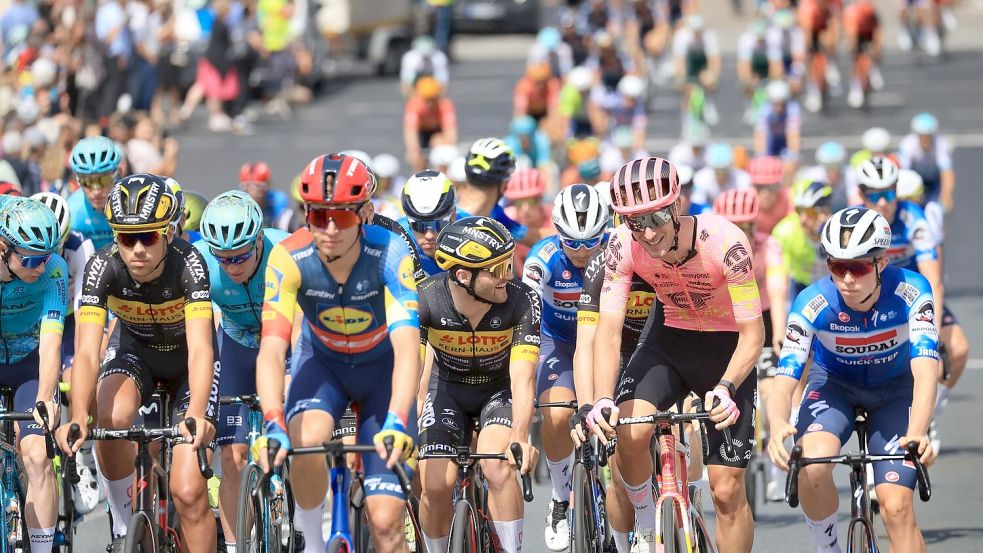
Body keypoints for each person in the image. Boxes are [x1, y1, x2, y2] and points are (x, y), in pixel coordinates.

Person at [581, 157, 763, 553]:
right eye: (633, 221)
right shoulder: (621, 245)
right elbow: (608, 332)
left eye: (656, 216)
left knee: (727, 490)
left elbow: (754, 332)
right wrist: (601, 399)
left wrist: (728, 387)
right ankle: (647, 526)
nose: (646, 232)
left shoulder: (726, 243)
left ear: (677, 204)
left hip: (727, 351)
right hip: (669, 341)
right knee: (628, 430)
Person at [256, 153, 419, 553]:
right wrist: (273, 421)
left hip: (382, 372)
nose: (329, 228)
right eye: (317, 215)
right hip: (323, 365)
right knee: (307, 440)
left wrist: (398, 419)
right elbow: (272, 350)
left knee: (386, 524)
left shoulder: (391, 252)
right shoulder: (288, 257)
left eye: (342, 216)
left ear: (364, 213)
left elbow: (407, 348)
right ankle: (311, 543)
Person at [57, 174, 219, 553]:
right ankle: (123, 524)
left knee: (189, 491)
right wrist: (80, 414)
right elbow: (84, 352)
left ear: (168, 234)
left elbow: (200, 349)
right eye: (127, 239)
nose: (137, 250)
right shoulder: (102, 267)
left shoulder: (189, 264)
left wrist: (196, 413)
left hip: (186, 365)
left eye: (148, 237)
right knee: (109, 420)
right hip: (135, 353)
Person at [767, 207, 938, 553]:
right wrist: (775, 424)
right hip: (834, 387)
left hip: (895, 391)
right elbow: (786, 374)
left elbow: (925, 370)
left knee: (896, 507)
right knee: (812, 466)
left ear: (882, 262)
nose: (846, 279)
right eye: (836, 266)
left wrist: (919, 430)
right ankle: (828, 547)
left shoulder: (912, 291)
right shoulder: (811, 302)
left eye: (857, 267)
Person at [416, 217, 540, 553]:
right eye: (497, 268)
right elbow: (419, 375)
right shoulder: (425, 300)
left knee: (498, 466)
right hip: (446, 392)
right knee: (434, 486)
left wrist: (520, 437)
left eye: (509, 262)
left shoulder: (522, 299)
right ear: (462, 275)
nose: (508, 275)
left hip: (498, 392)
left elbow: (523, 377)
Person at [192, 191, 289, 553]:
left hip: (285, 342)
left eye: (242, 256)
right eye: (224, 258)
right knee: (232, 458)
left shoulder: (285, 253)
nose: (232, 266)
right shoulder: (200, 261)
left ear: (260, 238)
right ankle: (234, 547)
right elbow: (199, 331)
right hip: (235, 343)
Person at [856, 156, 968, 452]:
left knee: (958, 349)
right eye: (873, 195)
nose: (882, 203)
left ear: (897, 191)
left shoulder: (914, 219)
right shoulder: (854, 221)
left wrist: (930, 327)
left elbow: (933, 279)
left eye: (888, 194)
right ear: (861, 194)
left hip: (916, 296)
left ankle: (931, 400)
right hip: (873, 300)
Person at [521, 184, 608, 551]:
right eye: (573, 243)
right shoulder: (541, 260)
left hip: (604, 338)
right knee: (557, 413)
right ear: (557, 232)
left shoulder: (617, 254)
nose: (584, 252)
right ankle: (560, 497)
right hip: (558, 340)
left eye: (593, 242)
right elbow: (525, 310)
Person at [0, 198, 68, 553]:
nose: (40, 267)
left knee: (38, 455)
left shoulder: (54, 269)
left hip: (28, 361)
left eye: (46, 256)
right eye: (30, 259)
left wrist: (45, 396)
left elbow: (51, 341)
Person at [458, 138, 539, 248]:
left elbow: (531, 236)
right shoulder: (494, 216)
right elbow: (534, 238)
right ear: (504, 184)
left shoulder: (495, 213)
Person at [771, 179, 835, 301]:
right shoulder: (784, 232)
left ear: (825, 212)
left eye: (810, 212)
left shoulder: (837, 231)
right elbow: (778, 283)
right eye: (799, 211)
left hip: (831, 285)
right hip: (801, 285)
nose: (803, 219)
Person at [898, 113, 955, 242]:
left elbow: (947, 172)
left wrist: (946, 195)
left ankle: (937, 240)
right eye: (922, 136)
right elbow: (903, 173)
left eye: (928, 137)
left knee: (937, 214)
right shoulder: (907, 144)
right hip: (915, 182)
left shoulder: (941, 144)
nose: (925, 140)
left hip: (934, 183)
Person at [397, 170, 457, 277]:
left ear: (453, 216)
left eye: (437, 225)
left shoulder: (471, 229)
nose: (428, 235)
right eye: (419, 226)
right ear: (408, 221)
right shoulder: (396, 238)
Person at [67, 136, 121, 250]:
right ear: (77, 180)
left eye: (104, 180)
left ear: (117, 173)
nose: (96, 191)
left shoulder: (130, 202)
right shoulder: (72, 212)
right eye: (87, 181)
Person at [503, 168, 555, 274]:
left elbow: (561, 239)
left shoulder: (554, 217)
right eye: (519, 202)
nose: (526, 209)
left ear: (541, 200)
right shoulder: (506, 217)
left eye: (531, 201)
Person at [403, 76, 458, 172]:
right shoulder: (414, 105)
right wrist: (414, 152)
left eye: (433, 99)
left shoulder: (445, 105)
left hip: (437, 132)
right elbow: (411, 132)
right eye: (426, 100)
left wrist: (448, 153)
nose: (430, 104)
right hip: (421, 132)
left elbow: (451, 133)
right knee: (417, 160)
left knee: (440, 145)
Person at [842, 0, 883, 108]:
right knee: (856, 58)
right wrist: (854, 50)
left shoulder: (872, 12)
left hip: (868, 32)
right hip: (856, 33)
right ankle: (855, 85)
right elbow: (852, 37)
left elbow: (878, 30)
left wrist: (877, 47)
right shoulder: (852, 14)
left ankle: (874, 69)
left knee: (876, 50)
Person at [239, 161, 294, 231]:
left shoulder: (278, 200)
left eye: (258, 187)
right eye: (247, 187)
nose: (253, 192)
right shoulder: (237, 201)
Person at [754, 79, 801, 161]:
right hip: (771, 138)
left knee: (792, 159)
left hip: (785, 139)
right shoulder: (764, 110)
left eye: (781, 103)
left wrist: (793, 157)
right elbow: (760, 135)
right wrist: (761, 158)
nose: (778, 108)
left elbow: (793, 135)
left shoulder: (793, 108)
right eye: (775, 104)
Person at [801, 141, 855, 211]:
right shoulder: (813, 176)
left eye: (836, 168)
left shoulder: (850, 174)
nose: (832, 173)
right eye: (828, 169)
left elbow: (855, 200)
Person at [749, 155, 790, 234]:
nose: (765, 194)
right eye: (759, 187)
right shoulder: (745, 202)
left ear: (779, 185)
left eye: (772, 187)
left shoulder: (788, 200)